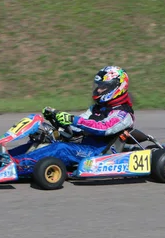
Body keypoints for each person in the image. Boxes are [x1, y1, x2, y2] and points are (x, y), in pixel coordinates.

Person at [7, 66, 135, 174]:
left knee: (61, 148)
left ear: (117, 87)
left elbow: (103, 128)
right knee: (44, 137)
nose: (99, 90)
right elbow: (78, 125)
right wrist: (58, 118)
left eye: (104, 87)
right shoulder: (98, 108)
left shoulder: (123, 114)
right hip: (83, 146)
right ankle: (6, 157)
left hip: (98, 153)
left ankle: (17, 166)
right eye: (98, 86)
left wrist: (72, 119)